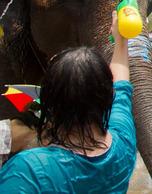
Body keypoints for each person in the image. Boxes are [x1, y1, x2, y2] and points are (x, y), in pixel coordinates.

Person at [0, 11, 136, 192]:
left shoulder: (28, 171)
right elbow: (121, 81)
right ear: (107, 96)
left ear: (47, 101)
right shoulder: (123, 142)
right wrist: (121, 42)